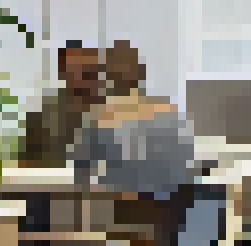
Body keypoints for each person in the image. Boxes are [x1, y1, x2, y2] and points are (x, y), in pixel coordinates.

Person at [72, 41, 199, 209]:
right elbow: (185, 164)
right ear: (141, 73)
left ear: (107, 77)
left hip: (121, 209)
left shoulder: (99, 117)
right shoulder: (170, 111)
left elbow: (81, 172)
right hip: (172, 210)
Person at [17, 41, 107, 167]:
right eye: (75, 69)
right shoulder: (46, 114)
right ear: (63, 72)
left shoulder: (112, 108)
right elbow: (30, 162)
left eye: (88, 71)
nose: (81, 76)